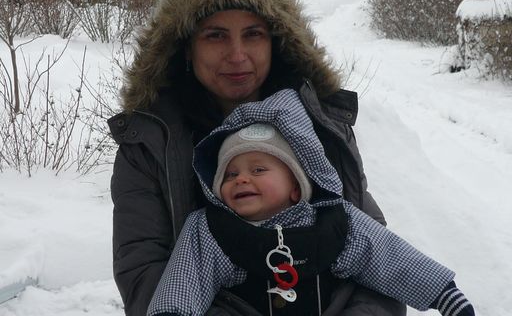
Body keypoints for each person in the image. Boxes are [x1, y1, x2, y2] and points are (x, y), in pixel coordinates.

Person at [109, 0, 405, 315]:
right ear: (185, 47)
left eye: (253, 34)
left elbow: (376, 253)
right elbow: (143, 272)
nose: (237, 55)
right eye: (216, 35)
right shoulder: (152, 143)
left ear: (275, 41)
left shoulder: (318, 125)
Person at [146, 89, 475, 316]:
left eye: (259, 169)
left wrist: (443, 292)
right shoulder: (211, 230)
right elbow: (185, 280)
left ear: (295, 186)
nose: (241, 179)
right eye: (230, 175)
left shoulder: (334, 223)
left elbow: (385, 255)